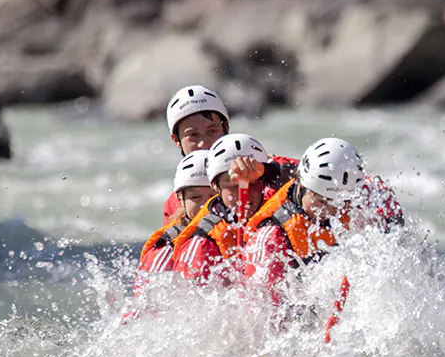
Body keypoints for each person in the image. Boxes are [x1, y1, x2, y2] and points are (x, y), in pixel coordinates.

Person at [245, 137, 404, 304]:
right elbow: (264, 307)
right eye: (321, 201)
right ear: (301, 185)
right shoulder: (272, 234)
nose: (330, 211)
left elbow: (394, 224)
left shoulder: (358, 192)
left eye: (340, 203)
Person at [160, 85, 296, 224]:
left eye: (212, 131)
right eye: (192, 135)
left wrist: (267, 172)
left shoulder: (266, 164)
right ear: (176, 140)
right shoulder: (176, 202)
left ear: (225, 127)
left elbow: (310, 178)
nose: (204, 143)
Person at [171, 133, 273, 285]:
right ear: (216, 188)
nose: (243, 193)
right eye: (232, 186)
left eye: (253, 183)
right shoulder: (202, 244)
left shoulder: (278, 211)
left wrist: (268, 170)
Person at [133, 151, 211, 292]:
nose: (205, 205)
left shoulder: (242, 227)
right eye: (195, 197)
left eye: (213, 195)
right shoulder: (167, 249)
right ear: (181, 198)